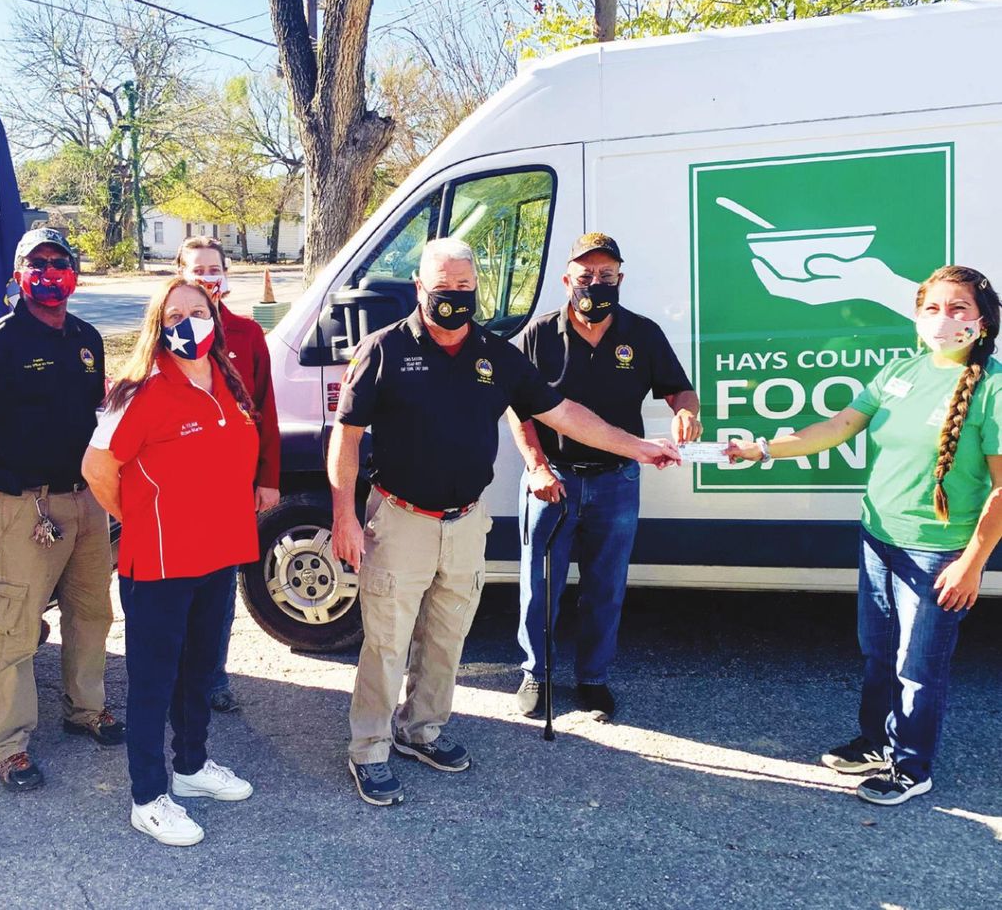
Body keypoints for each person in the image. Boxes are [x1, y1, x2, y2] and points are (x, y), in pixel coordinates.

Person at [330, 237, 682, 807]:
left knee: (447, 637)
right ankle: (369, 748)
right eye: (444, 288)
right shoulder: (384, 351)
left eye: (466, 288)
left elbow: (563, 413)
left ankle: (420, 731)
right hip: (400, 520)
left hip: (466, 522)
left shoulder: (496, 355)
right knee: (388, 643)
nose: (456, 298)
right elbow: (344, 441)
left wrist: (638, 447)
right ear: (420, 288)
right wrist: (344, 516)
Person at [727, 265, 1002, 806]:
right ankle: (877, 742)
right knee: (877, 651)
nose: (942, 320)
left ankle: (911, 766)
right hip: (878, 536)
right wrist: (763, 449)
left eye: (957, 309)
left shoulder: (993, 389)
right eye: (931, 308)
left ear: (983, 321)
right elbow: (835, 428)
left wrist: (973, 562)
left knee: (917, 667)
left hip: (937, 553)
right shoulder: (900, 371)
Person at [82, 278, 260, 847]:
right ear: (158, 325)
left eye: (198, 310)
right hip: (159, 561)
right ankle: (147, 796)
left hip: (220, 554)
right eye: (175, 313)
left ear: (215, 315)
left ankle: (191, 767)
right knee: (154, 681)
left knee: (200, 670)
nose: (189, 322)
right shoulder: (139, 390)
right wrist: (138, 516)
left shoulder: (226, 377)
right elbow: (97, 469)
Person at [0, 228, 124, 792]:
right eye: (37, 264)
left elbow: (96, 409)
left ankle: (85, 709)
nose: (50, 274)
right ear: (18, 276)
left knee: (92, 612)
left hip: (88, 499)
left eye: (60, 262)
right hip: (29, 505)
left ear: (74, 271)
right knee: (16, 625)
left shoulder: (87, 337)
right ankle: (9, 744)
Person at [509, 233, 702, 723]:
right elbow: (519, 411)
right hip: (551, 482)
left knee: (605, 587)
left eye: (606, 275)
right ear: (567, 279)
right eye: (586, 275)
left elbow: (680, 391)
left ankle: (593, 679)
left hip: (615, 483)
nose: (596, 283)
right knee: (540, 588)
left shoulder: (642, 333)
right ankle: (536, 673)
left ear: (620, 278)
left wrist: (686, 413)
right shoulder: (538, 334)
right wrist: (536, 467)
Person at [174, 236, 281, 714]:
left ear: (225, 275)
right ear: (180, 274)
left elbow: (266, 413)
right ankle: (173, 674)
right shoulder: (162, 332)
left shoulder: (246, 335)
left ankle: (213, 677)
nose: (206, 277)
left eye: (213, 269)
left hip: (231, 489)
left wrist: (268, 478)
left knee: (219, 590)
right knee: (175, 585)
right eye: (196, 269)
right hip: (176, 488)